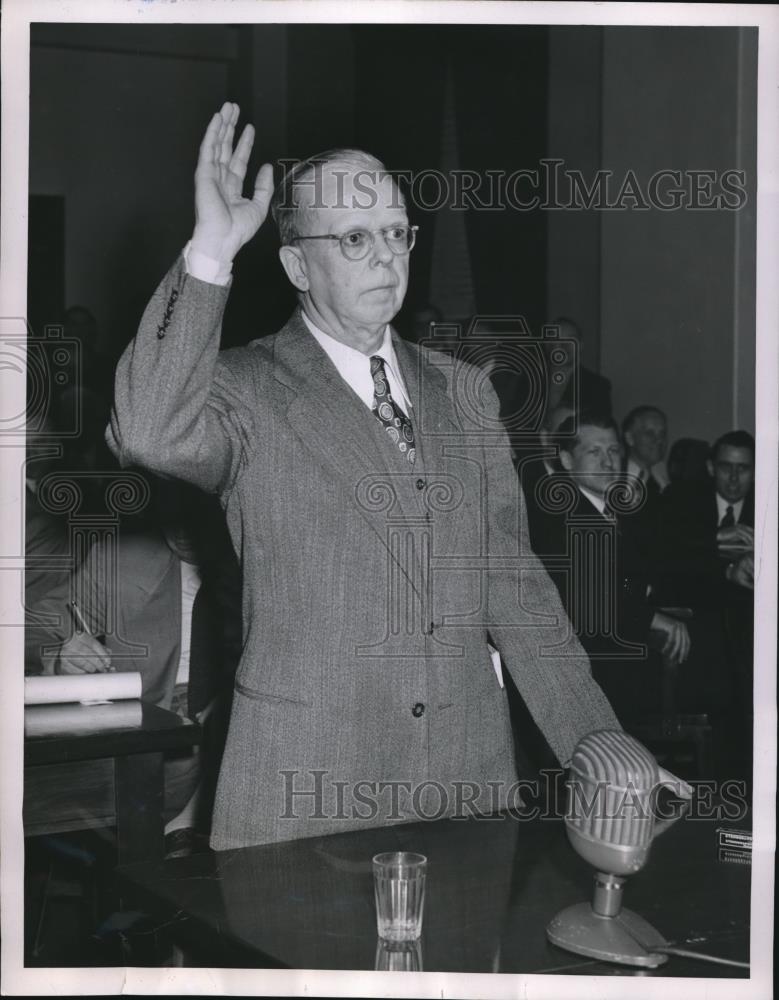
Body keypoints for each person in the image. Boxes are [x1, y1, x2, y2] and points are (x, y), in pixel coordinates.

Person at [107, 102, 628, 850]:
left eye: (395, 232)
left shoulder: (464, 389)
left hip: (464, 783)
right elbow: (148, 430)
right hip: (303, 791)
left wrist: (594, 743)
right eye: (354, 238)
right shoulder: (246, 389)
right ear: (295, 265)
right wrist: (210, 255)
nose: (386, 256)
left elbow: (511, 585)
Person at [528, 412, 690, 719]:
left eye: (614, 451)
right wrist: (653, 618)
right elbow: (587, 600)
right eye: (594, 452)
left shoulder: (615, 511)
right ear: (566, 459)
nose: (608, 462)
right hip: (586, 672)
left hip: (618, 659)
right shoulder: (559, 517)